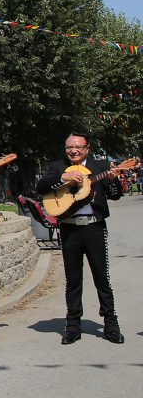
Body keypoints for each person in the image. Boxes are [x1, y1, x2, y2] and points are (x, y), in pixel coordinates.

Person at [36, 132, 124, 345]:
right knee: (73, 280)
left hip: (94, 228)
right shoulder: (58, 167)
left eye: (78, 147)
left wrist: (113, 180)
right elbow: (41, 187)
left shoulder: (100, 166)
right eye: (69, 148)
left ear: (87, 148)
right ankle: (73, 326)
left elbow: (115, 194)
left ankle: (111, 325)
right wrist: (63, 178)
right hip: (69, 229)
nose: (73, 151)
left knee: (102, 279)